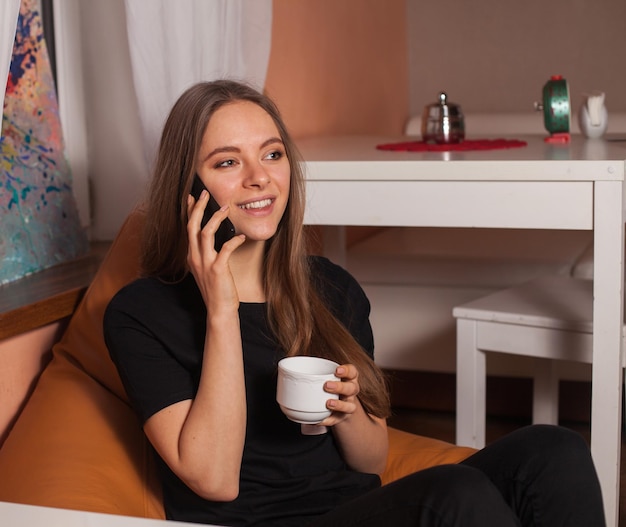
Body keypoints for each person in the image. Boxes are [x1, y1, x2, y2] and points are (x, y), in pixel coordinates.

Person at [103, 79, 605, 527]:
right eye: (228, 162)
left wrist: (347, 415)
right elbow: (215, 481)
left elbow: (372, 461)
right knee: (454, 493)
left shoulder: (331, 287)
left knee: (555, 449)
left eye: (273, 154)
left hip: (355, 510)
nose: (259, 178)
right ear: (188, 189)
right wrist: (221, 311)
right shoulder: (141, 314)